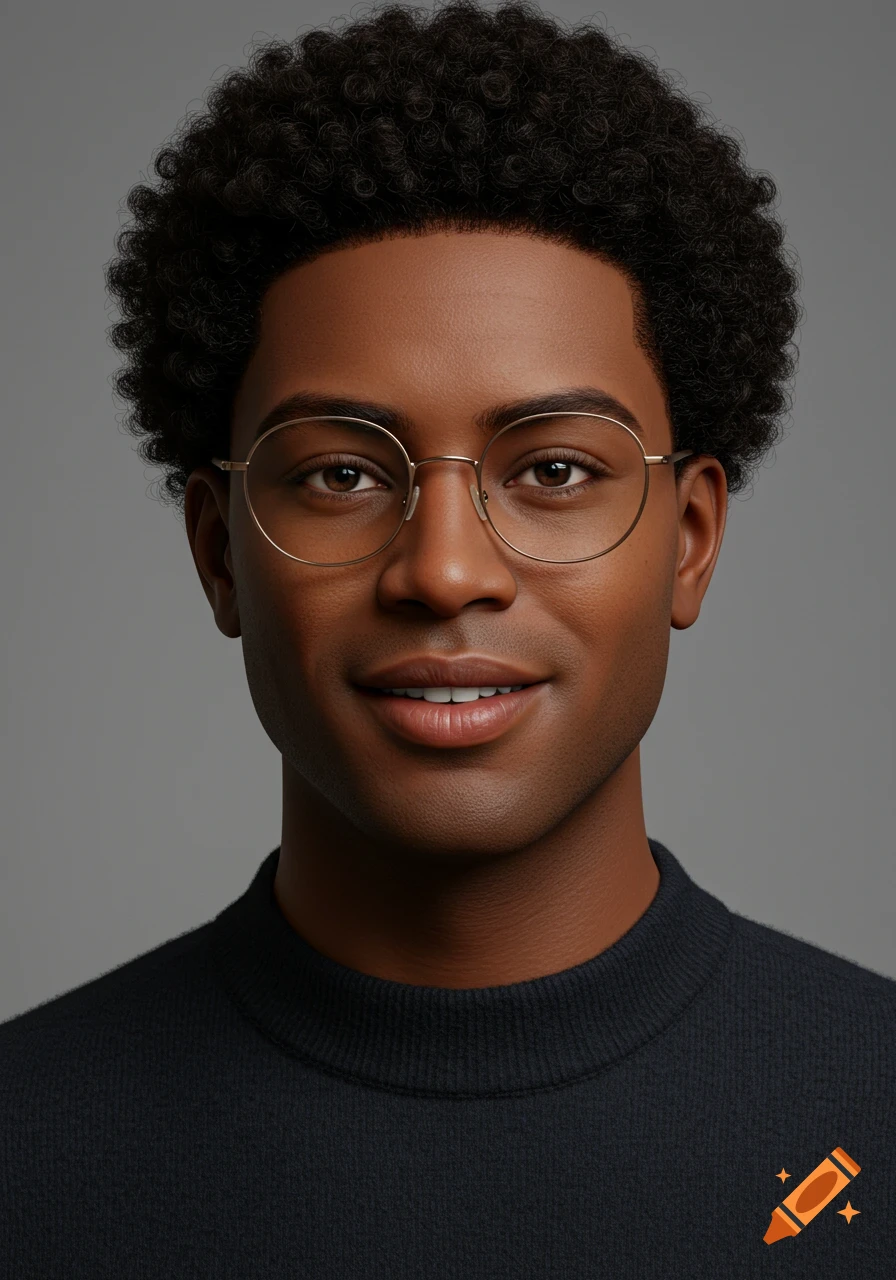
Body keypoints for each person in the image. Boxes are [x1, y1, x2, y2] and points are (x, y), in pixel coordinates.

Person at [2, 2, 893, 1275]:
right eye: (341, 475)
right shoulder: (27, 1149)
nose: (443, 569)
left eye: (555, 468)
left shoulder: (868, 1107)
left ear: (689, 537)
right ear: (219, 551)